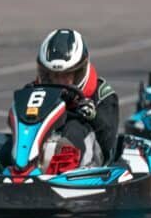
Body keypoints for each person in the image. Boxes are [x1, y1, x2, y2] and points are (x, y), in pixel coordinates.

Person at [33, 29, 119, 168]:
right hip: (40, 151)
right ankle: (6, 162)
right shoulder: (36, 90)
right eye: (55, 75)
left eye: (66, 75)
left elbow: (108, 143)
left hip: (90, 162)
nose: (59, 82)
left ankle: (64, 164)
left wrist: (93, 117)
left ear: (78, 73)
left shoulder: (102, 94)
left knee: (74, 127)